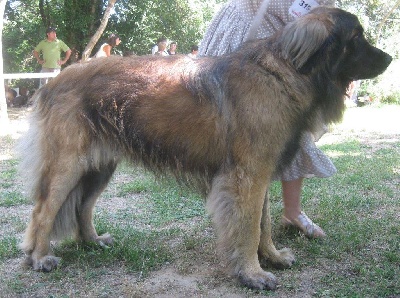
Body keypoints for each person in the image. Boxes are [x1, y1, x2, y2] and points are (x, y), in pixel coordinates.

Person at [199, 0, 336, 238]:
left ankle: (291, 213)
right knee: (234, 132)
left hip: (295, 39)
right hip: (247, 25)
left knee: (293, 127)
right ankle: (242, 221)